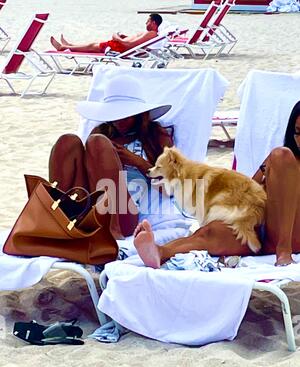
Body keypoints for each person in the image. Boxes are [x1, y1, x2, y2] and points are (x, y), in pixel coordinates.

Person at [133, 101, 300, 268]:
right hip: (259, 232)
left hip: (290, 236)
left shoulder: (283, 159)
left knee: (281, 155)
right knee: (210, 232)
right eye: (298, 132)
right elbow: (250, 190)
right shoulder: (284, 161)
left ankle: (283, 251)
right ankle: (160, 252)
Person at [48, 74, 172, 240]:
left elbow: (172, 188)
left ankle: (110, 227)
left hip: (124, 212)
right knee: (67, 141)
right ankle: (58, 215)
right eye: (114, 116)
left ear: (138, 114)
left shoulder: (155, 135)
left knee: (98, 143)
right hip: (90, 204)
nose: (118, 122)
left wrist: (136, 161)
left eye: (125, 116)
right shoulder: (101, 133)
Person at [50, 14, 163, 54]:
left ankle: (63, 47)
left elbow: (129, 45)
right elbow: (133, 42)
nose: (146, 23)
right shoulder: (151, 34)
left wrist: (117, 37)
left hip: (120, 48)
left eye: (147, 21)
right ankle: (69, 45)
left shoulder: (151, 34)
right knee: (91, 45)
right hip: (120, 46)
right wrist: (124, 37)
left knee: (91, 46)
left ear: (153, 22)